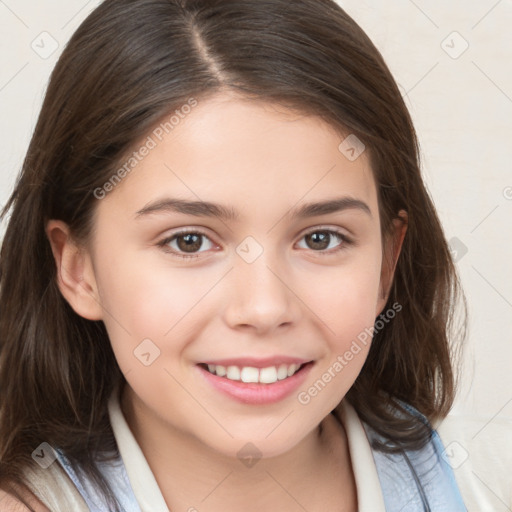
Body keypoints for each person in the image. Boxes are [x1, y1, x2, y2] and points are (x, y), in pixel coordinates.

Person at [0, 0, 468, 510]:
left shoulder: (457, 479)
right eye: (189, 241)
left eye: (320, 238)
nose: (264, 308)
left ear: (386, 264)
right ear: (78, 269)